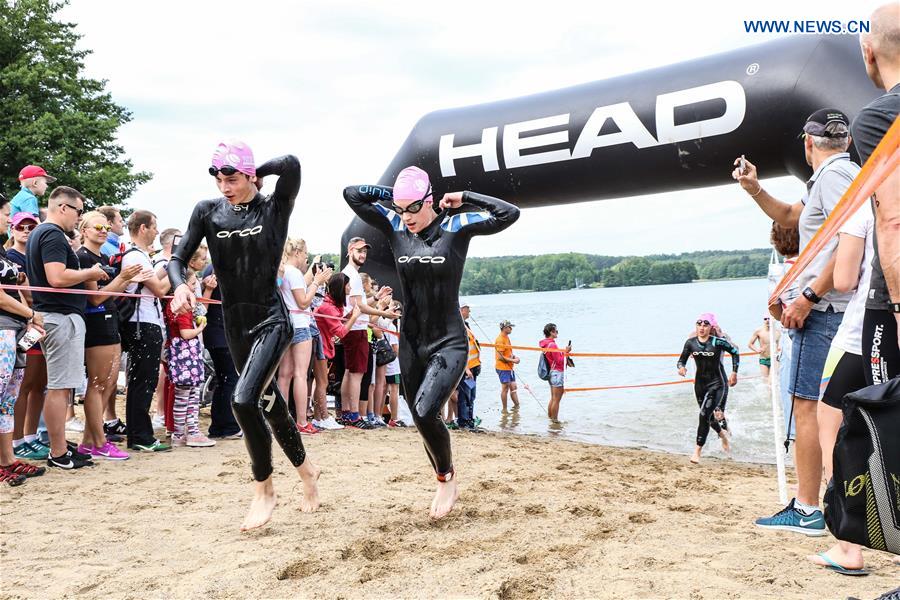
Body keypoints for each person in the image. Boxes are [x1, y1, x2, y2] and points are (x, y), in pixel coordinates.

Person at [344, 164, 519, 519]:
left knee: (425, 411)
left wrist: (465, 197)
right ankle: (444, 474)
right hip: (411, 341)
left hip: (449, 341)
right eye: (400, 208)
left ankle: (445, 477)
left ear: (429, 200)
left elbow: (508, 213)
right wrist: (394, 198)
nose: (406, 216)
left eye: (413, 208)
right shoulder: (395, 225)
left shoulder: (456, 226)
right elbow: (352, 195)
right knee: (422, 416)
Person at [169, 140, 320, 531]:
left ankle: (263, 489)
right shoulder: (208, 211)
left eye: (233, 179)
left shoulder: (274, 208)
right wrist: (180, 285)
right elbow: (178, 257)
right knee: (270, 405)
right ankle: (307, 472)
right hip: (235, 326)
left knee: (242, 399)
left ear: (249, 176)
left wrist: (257, 172)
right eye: (219, 180)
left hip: (271, 320)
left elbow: (292, 164)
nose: (225, 187)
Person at [735, 109, 857, 535]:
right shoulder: (834, 177)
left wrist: (808, 297)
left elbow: (849, 240)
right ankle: (841, 501)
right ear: (845, 139)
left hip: (823, 312)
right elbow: (789, 215)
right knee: (834, 409)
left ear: (808, 143)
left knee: (807, 408)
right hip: (836, 309)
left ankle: (807, 508)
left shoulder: (834, 176)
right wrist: (754, 189)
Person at [809, 203, 875, 574]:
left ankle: (848, 545)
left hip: (861, 334)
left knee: (832, 428)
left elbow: (844, 280)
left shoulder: (865, 208)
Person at [26, 186, 107, 470]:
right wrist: (90, 272)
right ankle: (58, 452)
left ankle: (59, 447)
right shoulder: (51, 234)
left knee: (61, 387)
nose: (79, 217)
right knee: (59, 388)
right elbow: (57, 277)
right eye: (79, 211)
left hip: (56, 316)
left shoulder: (43, 233)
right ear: (63, 207)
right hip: (60, 317)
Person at [853, 3, 900, 384]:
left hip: (890, 302)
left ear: (868, 51)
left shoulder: (879, 118)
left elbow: (893, 219)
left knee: (886, 409)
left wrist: (898, 309)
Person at [75, 211, 147, 460]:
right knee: (97, 384)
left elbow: (109, 292)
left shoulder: (103, 256)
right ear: (84, 230)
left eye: (106, 227)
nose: (103, 231)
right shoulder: (83, 257)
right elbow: (95, 298)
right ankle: (99, 442)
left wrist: (127, 281)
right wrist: (123, 279)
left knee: (108, 385)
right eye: (98, 227)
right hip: (96, 322)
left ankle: (88, 441)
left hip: (110, 319)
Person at [0, 193, 46, 485]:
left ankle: (7, 460)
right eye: (6, 214)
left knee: (7, 401)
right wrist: (31, 313)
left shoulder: (2, 253)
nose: (8, 219)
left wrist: (28, 316)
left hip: (14, 329)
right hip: (3, 328)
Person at [122, 210, 171, 453]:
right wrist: (177, 270)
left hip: (144, 321)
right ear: (143, 228)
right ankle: (141, 435)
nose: (156, 232)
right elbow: (160, 290)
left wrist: (169, 267)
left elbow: (152, 283)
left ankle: (138, 434)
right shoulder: (135, 256)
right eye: (153, 227)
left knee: (141, 381)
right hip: (142, 323)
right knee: (144, 381)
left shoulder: (140, 256)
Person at [7, 213, 51, 460]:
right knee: (24, 384)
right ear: (12, 229)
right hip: (23, 325)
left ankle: (31, 436)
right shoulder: (10, 257)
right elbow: (25, 295)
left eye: (31, 226)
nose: (25, 230)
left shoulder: (37, 255)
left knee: (39, 384)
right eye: (20, 226)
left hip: (39, 323)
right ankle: (17, 440)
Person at [277, 239, 331, 435]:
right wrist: (317, 282)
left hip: (286, 325)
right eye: (305, 253)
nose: (306, 257)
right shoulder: (294, 273)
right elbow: (303, 302)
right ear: (298, 253)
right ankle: (301, 421)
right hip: (300, 325)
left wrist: (313, 279)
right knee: (300, 374)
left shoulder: (284, 271)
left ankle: (281, 421)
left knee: (284, 375)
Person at [340, 237, 396, 428]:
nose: (363, 254)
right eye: (359, 251)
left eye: (364, 251)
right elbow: (359, 306)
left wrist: (377, 297)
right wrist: (384, 312)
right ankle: (354, 415)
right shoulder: (353, 275)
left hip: (354, 328)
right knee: (356, 374)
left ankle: (347, 413)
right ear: (350, 251)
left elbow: (360, 304)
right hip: (356, 329)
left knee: (350, 372)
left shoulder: (351, 274)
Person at [677, 313, 739, 464]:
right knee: (708, 417)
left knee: (708, 414)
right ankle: (723, 435)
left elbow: (735, 351)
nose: (702, 328)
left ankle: (697, 451)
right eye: (699, 324)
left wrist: (734, 373)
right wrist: (681, 368)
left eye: (706, 325)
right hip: (700, 384)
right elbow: (681, 360)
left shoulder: (719, 341)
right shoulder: (691, 342)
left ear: (711, 327)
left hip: (717, 382)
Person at [164, 270, 214, 448]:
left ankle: (183, 433)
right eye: (192, 284)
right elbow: (185, 333)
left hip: (182, 355)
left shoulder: (174, 303)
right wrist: (200, 329)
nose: (194, 288)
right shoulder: (182, 305)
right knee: (188, 396)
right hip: (186, 355)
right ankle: (189, 432)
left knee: (185, 396)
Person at [200, 264, 242, 439]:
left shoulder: (214, 267)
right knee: (229, 379)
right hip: (221, 333)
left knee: (223, 379)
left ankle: (219, 426)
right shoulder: (222, 267)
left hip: (217, 332)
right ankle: (228, 426)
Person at [306, 258, 342, 431]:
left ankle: (319, 417)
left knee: (321, 382)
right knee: (321, 382)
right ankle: (323, 416)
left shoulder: (327, 300)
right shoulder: (322, 300)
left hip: (322, 342)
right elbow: (341, 331)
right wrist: (355, 316)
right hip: (318, 342)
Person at [455, 302, 481, 430]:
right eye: (467, 309)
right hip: (467, 369)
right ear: (461, 310)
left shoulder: (466, 325)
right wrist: (466, 369)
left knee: (471, 396)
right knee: (465, 395)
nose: (469, 312)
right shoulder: (458, 327)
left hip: (474, 366)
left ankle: (470, 420)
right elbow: (459, 350)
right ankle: (463, 421)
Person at [540, 323, 570, 422]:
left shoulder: (546, 344)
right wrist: (566, 352)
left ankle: (551, 419)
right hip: (557, 373)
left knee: (553, 398)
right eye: (555, 331)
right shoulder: (552, 345)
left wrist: (563, 352)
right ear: (551, 332)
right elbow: (559, 361)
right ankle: (555, 421)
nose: (557, 332)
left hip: (552, 372)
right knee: (556, 400)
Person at [494, 320, 520, 412]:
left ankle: (517, 407)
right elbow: (500, 357)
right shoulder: (500, 339)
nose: (511, 328)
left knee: (513, 387)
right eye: (509, 327)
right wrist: (513, 360)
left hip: (509, 367)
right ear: (504, 328)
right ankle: (504, 409)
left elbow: (508, 352)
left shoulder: (506, 337)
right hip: (502, 368)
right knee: (505, 389)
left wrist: (515, 357)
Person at [747, 317, 779, 383]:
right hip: (764, 359)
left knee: (772, 381)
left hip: (774, 359)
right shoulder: (759, 331)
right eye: (765, 319)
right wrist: (757, 350)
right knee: (765, 381)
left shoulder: (777, 332)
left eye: (769, 318)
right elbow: (750, 344)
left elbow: (780, 345)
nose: (767, 320)